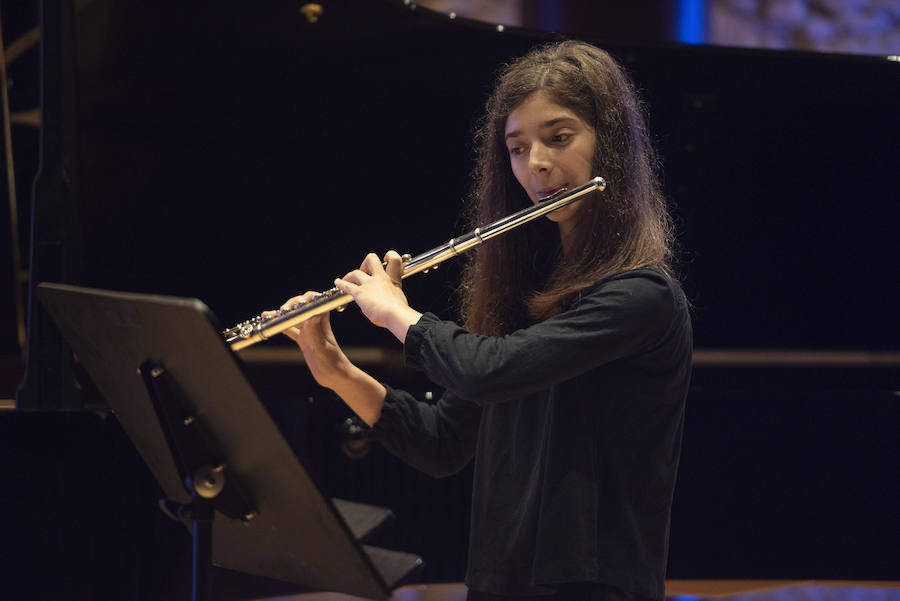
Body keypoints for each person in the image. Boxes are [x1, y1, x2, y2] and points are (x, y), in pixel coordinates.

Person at [267, 40, 692, 601]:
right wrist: (334, 367)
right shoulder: (522, 297)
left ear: (608, 145)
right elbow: (443, 442)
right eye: (517, 149)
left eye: (558, 138)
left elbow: (487, 370)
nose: (536, 164)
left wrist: (399, 314)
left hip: (591, 587)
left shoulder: (642, 296)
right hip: (501, 583)